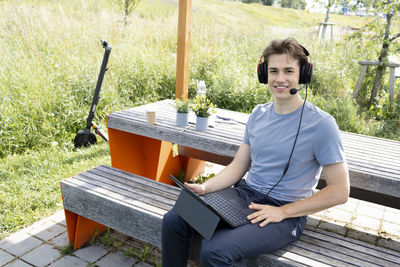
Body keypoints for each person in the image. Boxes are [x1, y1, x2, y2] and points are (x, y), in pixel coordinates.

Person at [161, 38, 350, 266]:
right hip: (244, 196)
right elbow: (239, 166)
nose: (280, 79)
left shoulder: (322, 125)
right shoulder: (258, 114)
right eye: (273, 71)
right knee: (173, 220)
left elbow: (340, 191)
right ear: (264, 74)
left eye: (289, 70)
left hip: (285, 214)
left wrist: (284, 212)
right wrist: (205, 187)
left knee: (214, 251)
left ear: (303, 74)